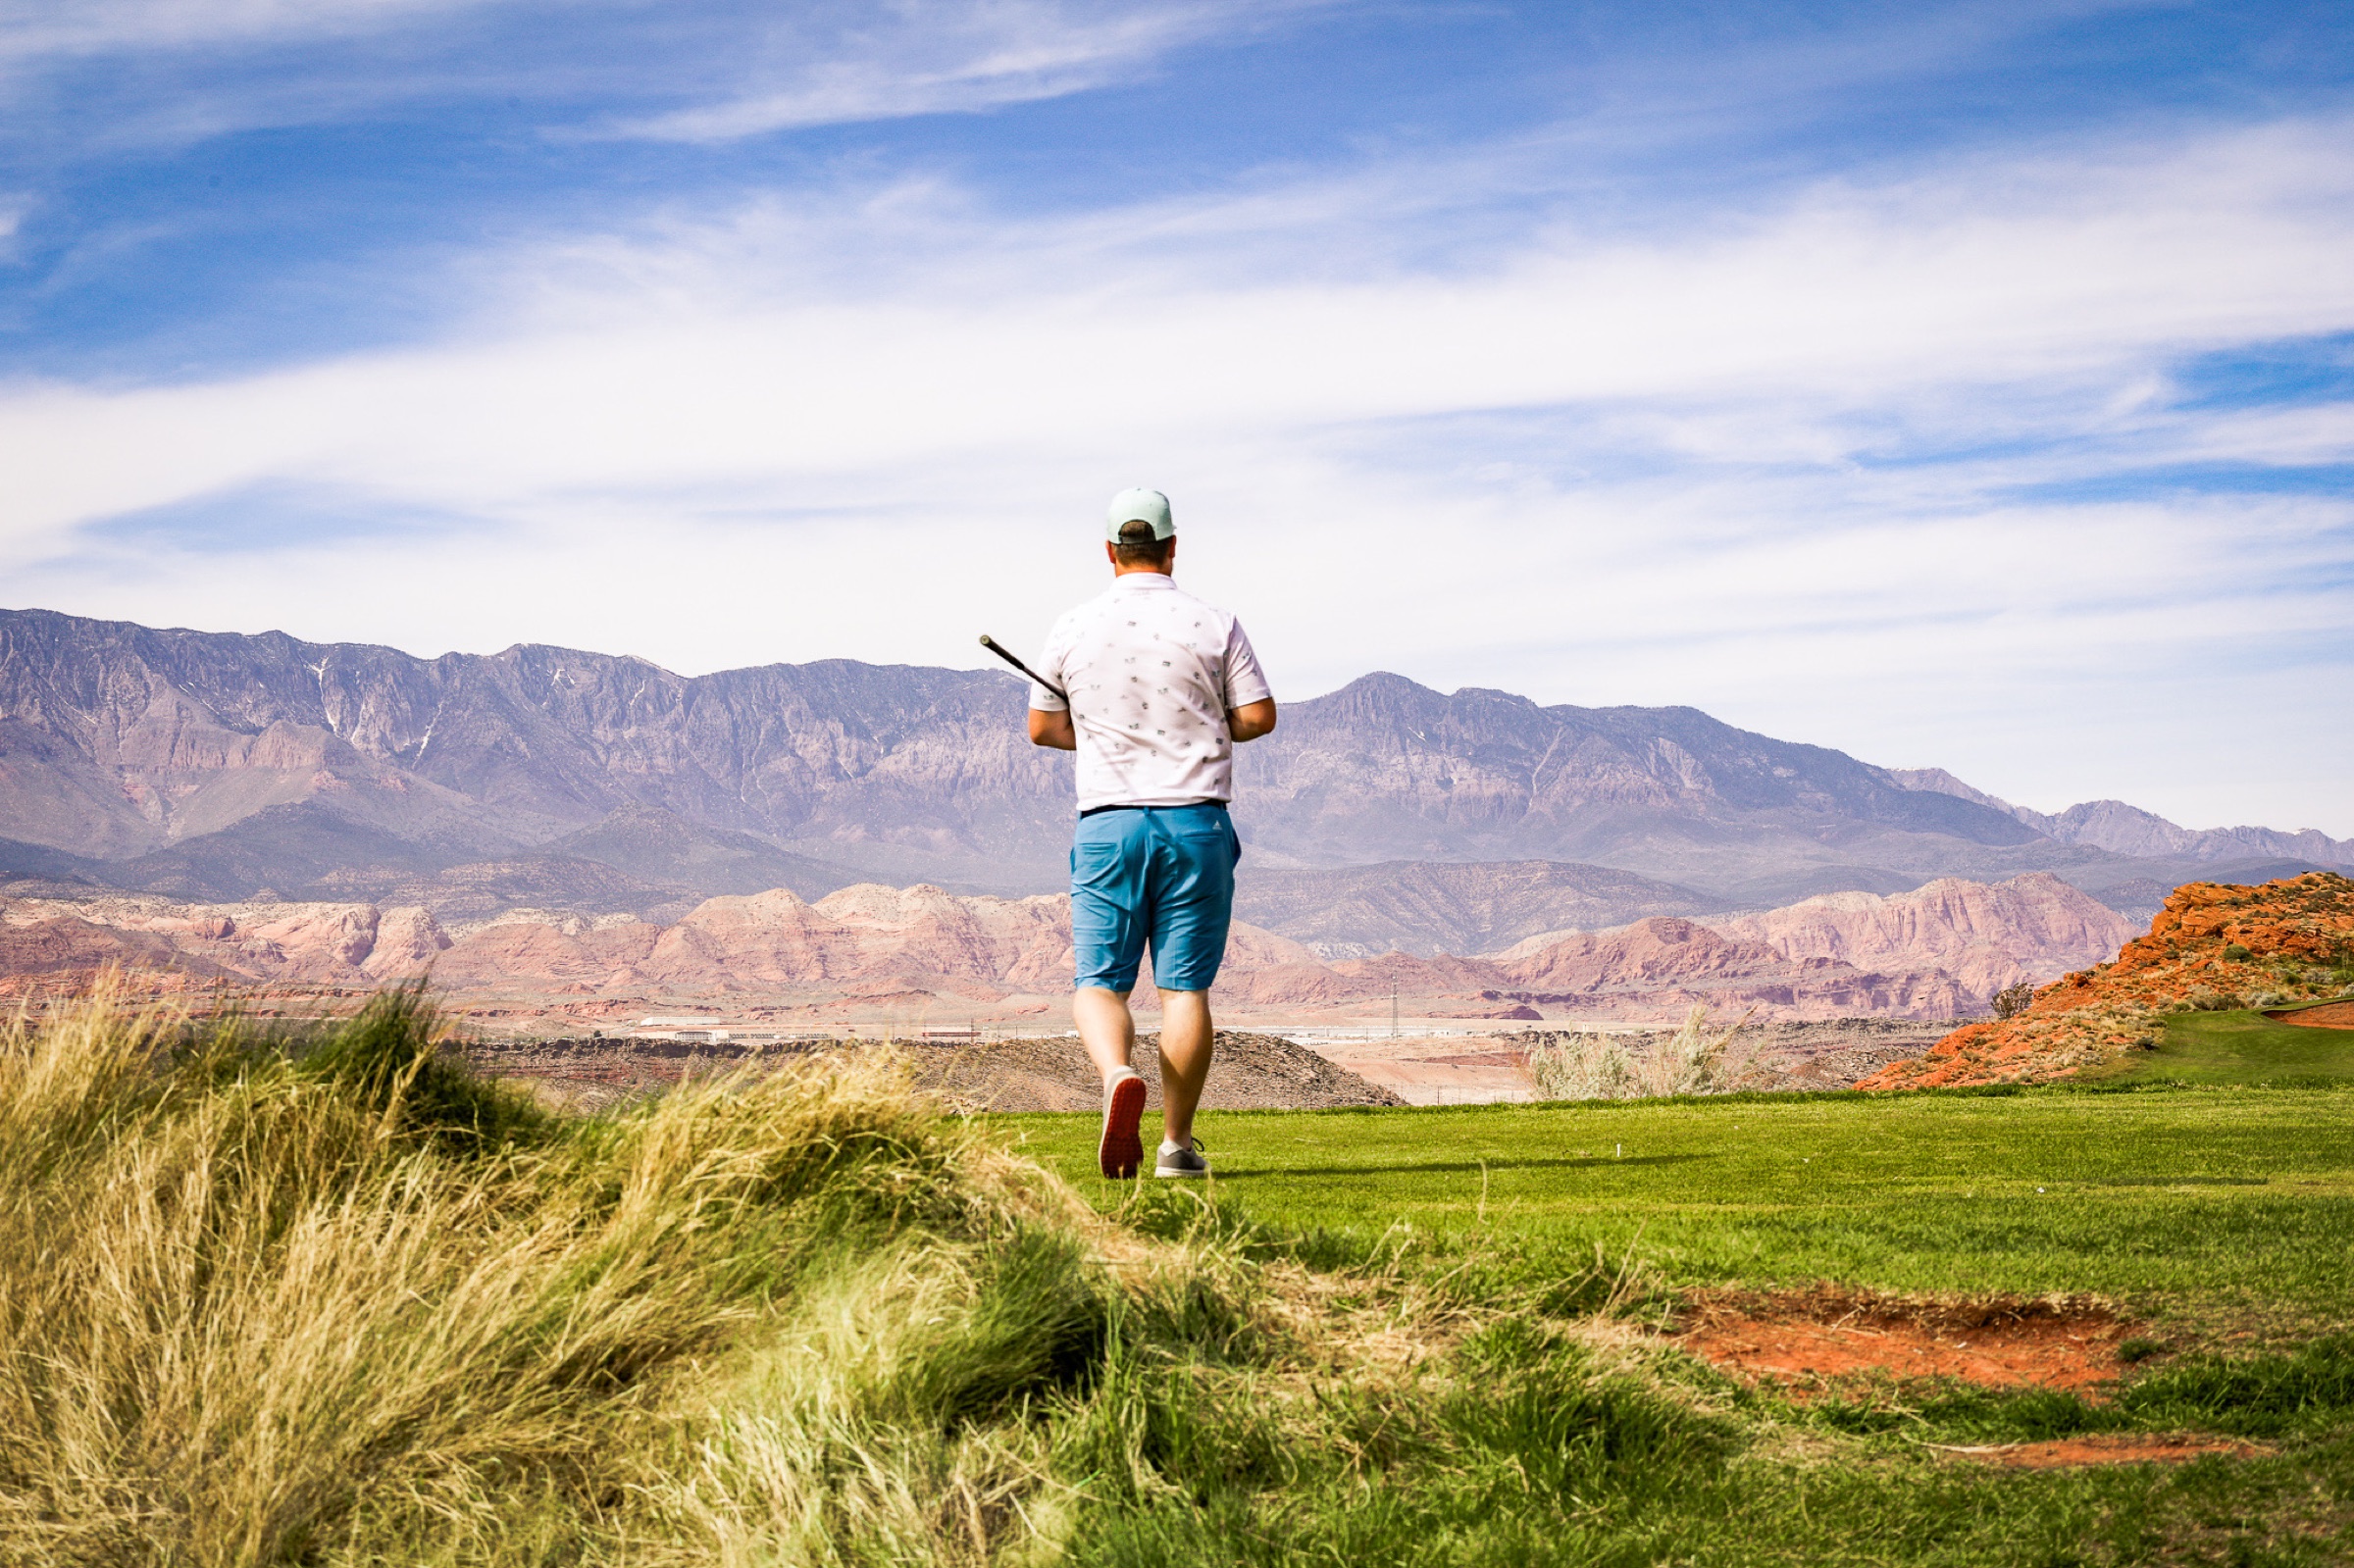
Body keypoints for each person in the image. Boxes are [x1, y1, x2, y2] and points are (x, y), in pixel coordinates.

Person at [1025, 487, 1277, 1179]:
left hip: (1109, 824)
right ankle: (1175, 1144)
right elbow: (1258, 716)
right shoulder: (1213, 622)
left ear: (1110, 551)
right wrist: (1202, 725)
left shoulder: (1073, 626)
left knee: (1100, 982)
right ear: (1171, 547)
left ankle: (1114, 1076)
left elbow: (1043, 726)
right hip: (1195, 821)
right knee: (1184, 991)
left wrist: (1104, 732)